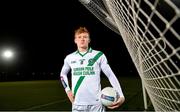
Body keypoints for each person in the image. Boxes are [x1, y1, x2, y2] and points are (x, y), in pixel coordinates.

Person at [60, 26, 125, 112]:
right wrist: (68, 90)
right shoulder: (69, 58)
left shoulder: (99, 55)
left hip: (97, 104)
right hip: (77, 103)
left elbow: (110, 75)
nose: (82, 39)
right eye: (79, 37)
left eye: (85, 37)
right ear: (75, 40)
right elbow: (62, 74)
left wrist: (121, 95)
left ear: (89, 40)